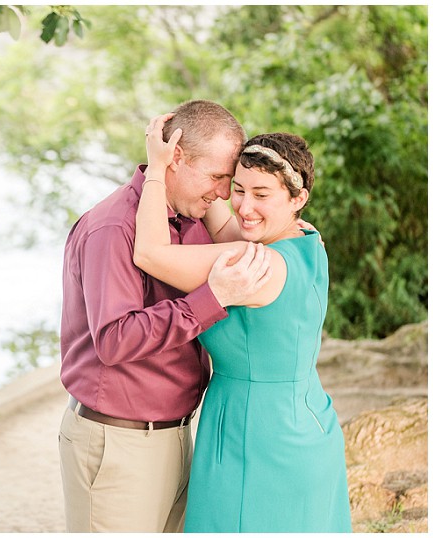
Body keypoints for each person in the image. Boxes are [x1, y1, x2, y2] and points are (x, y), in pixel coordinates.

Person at [58, 100, 273, 533]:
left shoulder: (192, 220)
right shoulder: (114, 229)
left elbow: (245, 236)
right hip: (120, 442)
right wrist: (213, 297)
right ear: (175, 157)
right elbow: (116, 339)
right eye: (216, 178)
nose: (220, 193)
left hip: (176, 435)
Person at [134, 114, 352, 532]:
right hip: (305, 422)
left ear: (298, 198)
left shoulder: (255, 264)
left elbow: (149, 254)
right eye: (238, 189)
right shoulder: (306, 243)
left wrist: (158, 170)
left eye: (262, 194)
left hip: (257, 435)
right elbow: (222, 214)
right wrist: (196, 159)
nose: (245, 207)